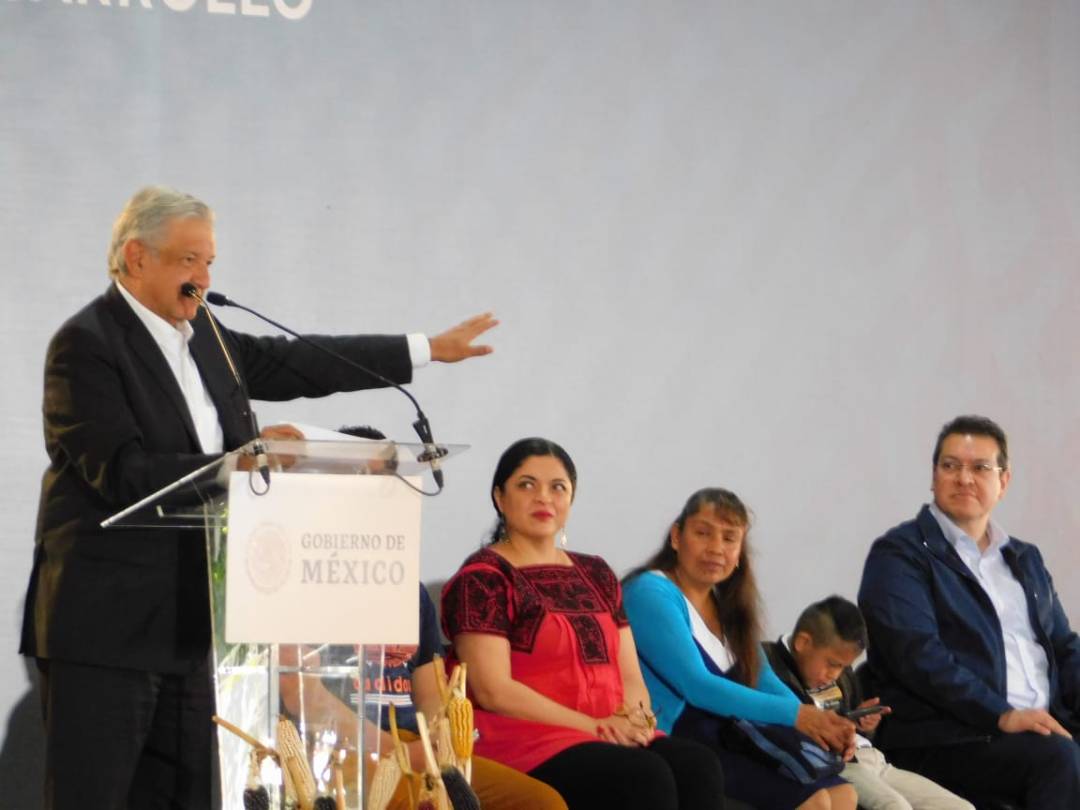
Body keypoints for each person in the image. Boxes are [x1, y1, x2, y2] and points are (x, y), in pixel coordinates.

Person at [19, 185, 498, 810]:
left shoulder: (207, 334)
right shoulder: (86, 344)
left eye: (209, 262)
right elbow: (120, 472)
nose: (204, 278)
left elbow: (300, 363)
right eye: (189, 260)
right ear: (137, 257)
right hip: (110, 631)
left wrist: (426, 349)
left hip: (200, 630)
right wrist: (239, 463)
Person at [441, 438, 727, 810]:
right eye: (527, 485)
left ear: (571, 499)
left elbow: (629, 674)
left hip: (605, 730)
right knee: (642, 775)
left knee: (698, 765)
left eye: (558, 487)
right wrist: (592, 726)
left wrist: (637, 719)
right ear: (500, 497)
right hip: (523, 736)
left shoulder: (596, 572)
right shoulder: (483, 578)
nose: (544, 497)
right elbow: (494, 691)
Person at [859, 414, 1080, 809]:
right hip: (947, 736)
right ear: (934, 476)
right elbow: (917, 655)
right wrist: (1001, 714)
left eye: (980, 468)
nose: (964, 478)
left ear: (1004, 481)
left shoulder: (1024, 559)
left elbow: (1063, 648)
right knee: (1058, 760)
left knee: (1059, 751)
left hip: (1039, 727)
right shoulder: (900, 554)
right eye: (951, 466)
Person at [623, 487, 857, 810]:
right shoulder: (650, 591)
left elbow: (765, 680)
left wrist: (821, 724)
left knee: (845, 795)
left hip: (735, 731)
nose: (716, 548)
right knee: (815, 801)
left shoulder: (727, 605)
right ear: (676, 537)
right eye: (703, 533)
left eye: (729, 538)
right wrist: (798, 716)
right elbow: (697, 686)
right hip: (682, 738)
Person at [278, 584, 568, 810]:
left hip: (413, 744)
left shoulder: (410, 589)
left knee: (542, 802)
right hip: (337, 748)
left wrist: (435, 739)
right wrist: (398, 751)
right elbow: (303, 700)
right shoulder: (300, 585)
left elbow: (430, 693)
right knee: (421, 803)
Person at [764, 596, 973, 810]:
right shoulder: (767, 666)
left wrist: (863, 724)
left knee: (961, 808)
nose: (835, 675)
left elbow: (849, 718)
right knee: (895, 807)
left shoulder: (839, 672)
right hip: (835, 765)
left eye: (843, 667)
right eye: (832, 664)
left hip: (872, 759)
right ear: (803, 643)